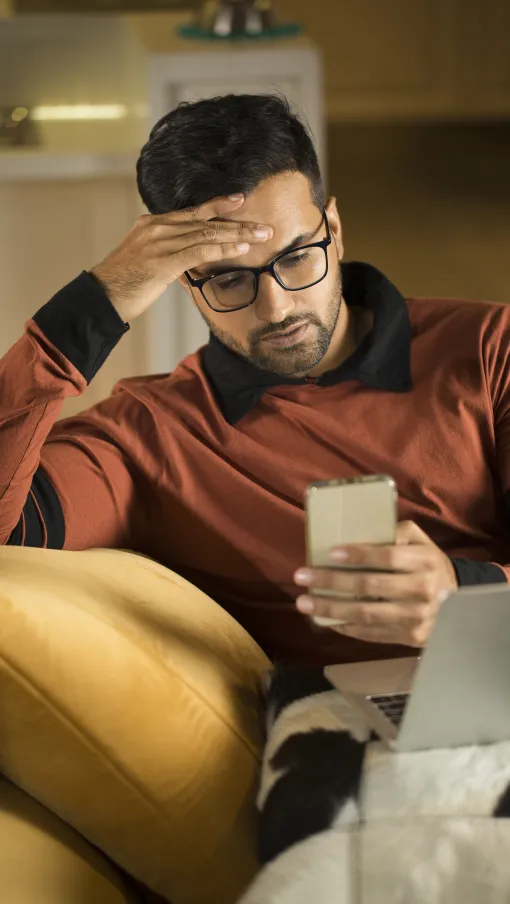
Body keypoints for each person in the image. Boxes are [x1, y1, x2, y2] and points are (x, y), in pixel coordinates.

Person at [1, 94, 509, 667]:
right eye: (229, 279)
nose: (276, 307)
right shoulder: (148, 437)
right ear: (184, 281)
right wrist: (100, 298)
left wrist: (465, 596)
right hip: (328, 732)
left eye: (296, 258)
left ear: (334, 230)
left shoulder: (491, 348)